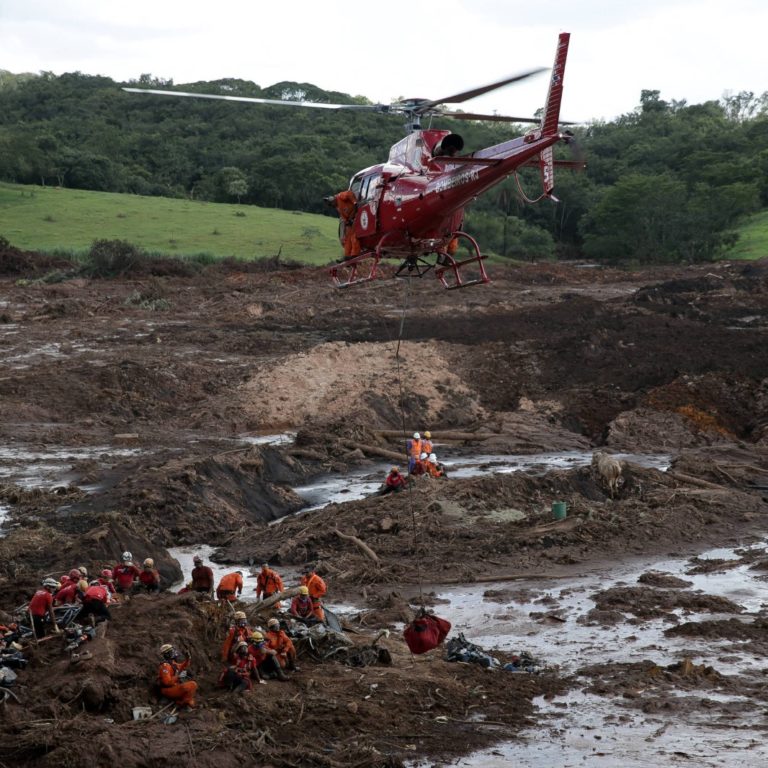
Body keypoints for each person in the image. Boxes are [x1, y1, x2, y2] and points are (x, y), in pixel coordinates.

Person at [323, 189, 361, 259]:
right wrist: (347, 222)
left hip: (357, 214)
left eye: (331, 204)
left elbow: (349, 193)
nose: (332, 206)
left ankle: (355, 254)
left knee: (354, 236)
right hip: (351, 219)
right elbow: (344, 217)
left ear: (332, 200)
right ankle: (347, 255)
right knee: (347, 238)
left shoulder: (340, 196)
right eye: (330, 205)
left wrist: (354, 202)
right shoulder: (337, 207)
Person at [157, 644, 197, 708]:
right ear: (168, 654)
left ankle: (183, 701)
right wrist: (178, 677)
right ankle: (182, 703)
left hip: (173, 687)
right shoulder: (165, 666)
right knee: (192, 685)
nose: (174, 652)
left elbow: (182, 666)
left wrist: (188, 659)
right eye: (172, 651)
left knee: (189, 689)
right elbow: (167, 682)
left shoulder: (172, 663)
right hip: (167, 690)